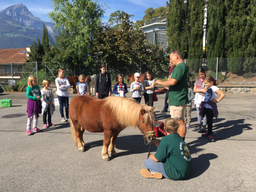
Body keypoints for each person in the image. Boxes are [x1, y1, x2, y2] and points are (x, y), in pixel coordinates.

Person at [156, 50, 188, 140]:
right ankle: (178, 141)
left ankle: (180, 142)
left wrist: (161, 83)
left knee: (179, 121)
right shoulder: (181, 67)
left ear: (176, 57)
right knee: (177, 121)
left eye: (171, 58)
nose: (171, 61)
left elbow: (173, 81)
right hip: (176, 98)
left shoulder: (180, 66)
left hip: (178, 98)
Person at [200, 76, 225, 142]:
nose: (206, 85)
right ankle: (208, 132)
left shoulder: (214, 87)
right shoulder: (209, 87)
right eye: (205, 83)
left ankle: (210, 134)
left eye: (207, 83)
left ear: (211, 82)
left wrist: (217, 101)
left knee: (210, 120)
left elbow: (222, 94)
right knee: (207, 119)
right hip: (206, 105)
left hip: (210, 106)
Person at [193, 67, 207, 133]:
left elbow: (205, 90)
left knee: (203, 112)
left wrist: (199, 90)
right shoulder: (198, 80)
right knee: (198, 111)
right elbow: (194, 90)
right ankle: (199, 125)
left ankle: (204, 126)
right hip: (198, 97)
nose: (200, 76)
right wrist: (201, 90)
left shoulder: (207, 80)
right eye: (199, 75)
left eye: (202, 74)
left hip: (204, 98)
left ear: (205, 73)